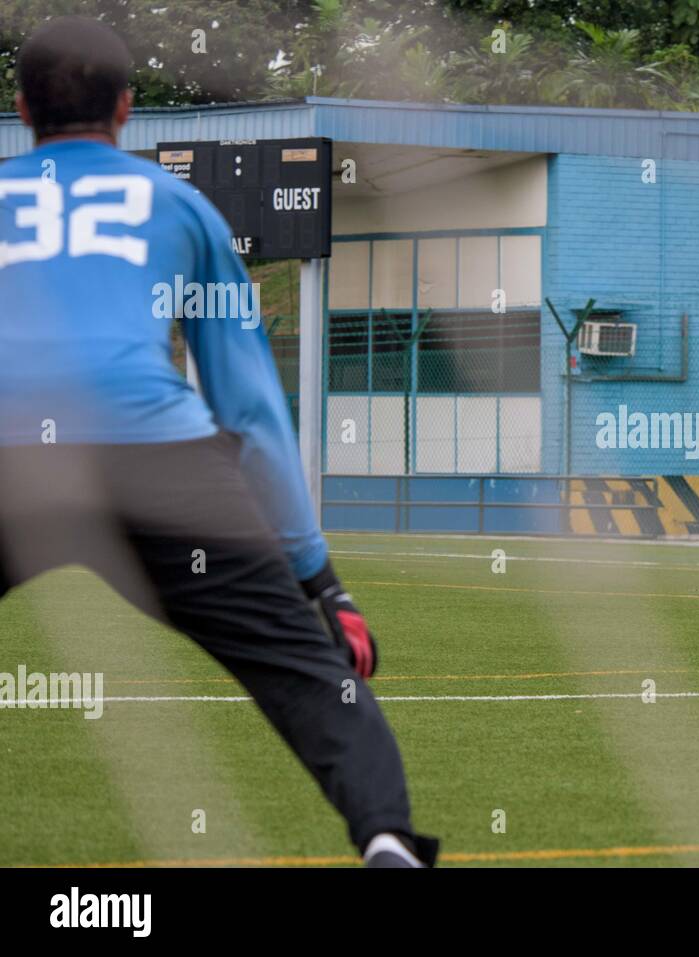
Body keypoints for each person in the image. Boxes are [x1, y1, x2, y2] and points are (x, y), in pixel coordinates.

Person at [0, 16, 436, 866]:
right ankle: (386, 838)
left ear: (20, 110)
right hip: (158, 458)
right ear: (127, 109)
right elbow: (248, 404)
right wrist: (322, 583)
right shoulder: (183, 207)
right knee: (307, 676)